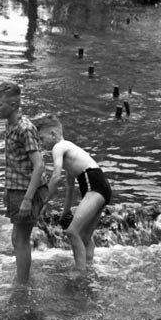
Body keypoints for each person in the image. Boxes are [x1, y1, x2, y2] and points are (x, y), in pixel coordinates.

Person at [36, 114, 112, 272]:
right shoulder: (71, 152)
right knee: (84, 236)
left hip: (94, 186)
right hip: (101, 187)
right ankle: (89, 267)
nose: (41, 144)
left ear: (53, 135)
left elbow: (56, 177)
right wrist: (65, 212)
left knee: (72, 231)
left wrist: (42, 201)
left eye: (41, 139)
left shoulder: (59, 147)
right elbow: (70, 186)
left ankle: (79, 271)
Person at [0, 81, 47, 283]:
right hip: (17, 189)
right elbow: (14, 162)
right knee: (17, 238)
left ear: (13, 105)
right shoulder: (11, 125)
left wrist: (27, 199)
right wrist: (8, 190)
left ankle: (23, 284)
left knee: (21, 239)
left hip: (28, 191)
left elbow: (39, 165)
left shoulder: (25, 128)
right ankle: (22, 279)